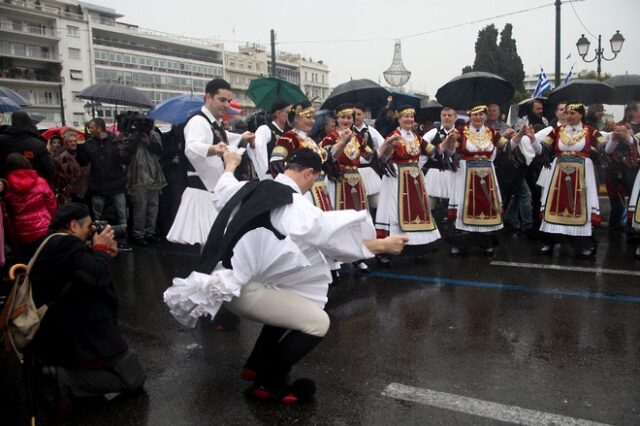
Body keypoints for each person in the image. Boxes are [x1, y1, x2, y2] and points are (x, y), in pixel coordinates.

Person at [164, 148, 407, 404]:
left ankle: (255, 365)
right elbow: (329, 239)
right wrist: (383, 245)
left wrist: (230, 165)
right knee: (318, 323)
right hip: (243, 289)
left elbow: (222, 190)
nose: (312, 185)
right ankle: (267, 383)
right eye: (314, 179)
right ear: (309, 173)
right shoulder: (293, 203)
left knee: (291, 298)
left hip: (223, 283)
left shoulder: (251, 187)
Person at [30, 203, 146, 400]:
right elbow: (98, 276)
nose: (92, 231)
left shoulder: (51, 243)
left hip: (67, 331)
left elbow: (85, 272)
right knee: (133, 378)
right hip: (82, 333)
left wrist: (102, 253)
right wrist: (100, 248)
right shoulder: (66, 245)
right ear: (74, 226)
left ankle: (63, 374)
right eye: (89, 227)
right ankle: (61, 379)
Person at [166, 78, 254, 246]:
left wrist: (242, 137)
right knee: (210, 243)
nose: (226, 105)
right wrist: (214, 149)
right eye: (222, 100)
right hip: (202, 192)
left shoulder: (215, 123)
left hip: (212, 191)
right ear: (208, 97)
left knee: (213, 244)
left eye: (228, 101)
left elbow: (224, 137)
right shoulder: (197, 121)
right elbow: (191, 147)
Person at [534, 102, 627, 257]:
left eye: (573, 113)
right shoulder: (557, 131)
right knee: (556, 205)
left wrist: (615, 139)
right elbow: (541, 149)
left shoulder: (591, 131)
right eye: (568, 113)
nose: (569, 116)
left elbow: (607, 150)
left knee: (580, 206)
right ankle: (549, 242)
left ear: (581, 115)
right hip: (559, 174)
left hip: (582, 173)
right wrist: (531, 139)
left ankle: (586, 244)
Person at [376, 105, 442, 265]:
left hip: (414, 178)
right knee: (394, 212)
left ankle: (417, 247)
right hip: (397, 179)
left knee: (416, 211)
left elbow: (434, 151)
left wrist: (447, 141)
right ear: (399, 119)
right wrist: (389, 146)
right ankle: (387, 250)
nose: (409, 119)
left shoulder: (417, 138)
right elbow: (383, 160)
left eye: (412, 117)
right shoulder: (393, 136)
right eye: (406, 116)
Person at [447, 104, 516, 256]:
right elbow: (451, 152)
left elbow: (506, 146)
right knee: (465, 207)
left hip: (486, 175)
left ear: (485, 116)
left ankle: (486, 244)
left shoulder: (491, 132)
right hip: (466, 174)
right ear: (469, 116)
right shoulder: (460, 131)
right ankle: (460, 244)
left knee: (486, 206)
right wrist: (452, 141)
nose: (478, 117)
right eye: (475, 114)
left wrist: (521, 135)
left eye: (481, 114)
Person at [76, 117, 131, 251]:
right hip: (98, 186)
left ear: (100, 127)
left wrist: (124, 152)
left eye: (92, 127)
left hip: (116, 184)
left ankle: (123, 240)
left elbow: (126, 161)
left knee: (122, 215)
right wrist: (81, 147)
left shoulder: (115, 141)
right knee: (97, 217)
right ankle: (99, 241)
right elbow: (83, 162)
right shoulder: (89, 143)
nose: (90, 130)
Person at [269, 101, 334, 211]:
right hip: (305, 193)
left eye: (314, 118)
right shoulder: (289, 137)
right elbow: (276, 162)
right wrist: (292, 185)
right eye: (308, 117)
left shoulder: (310, 140)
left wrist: (343, 141)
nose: (312, 121)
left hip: (320, 189)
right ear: (296, 119)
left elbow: (326, 157)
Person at [120, 113, 167, 246]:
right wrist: (133, 135)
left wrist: (148, 142)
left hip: (154, 175)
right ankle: (139, 234)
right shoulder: (131, 135)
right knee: (140, 207)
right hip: (138, 175)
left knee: (153, 207)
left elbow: (159, 151)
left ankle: (150, 232)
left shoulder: (154, 135)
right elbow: (126, 154)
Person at [1, 153, 57, 261]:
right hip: (44, 227)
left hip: (22, 231)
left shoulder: (7, 187)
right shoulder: (40, 181)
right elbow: (52, 204)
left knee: (29, 260)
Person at [422, 106, 459, 222]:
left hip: (454, 172)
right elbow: (421, 148)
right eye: (444, 115)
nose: (447, 118)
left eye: (449, 115)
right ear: (440, 117)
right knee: (429, 202)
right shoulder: (432, 133)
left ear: (455, 118)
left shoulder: (461, 133)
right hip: (434, 172)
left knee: (452, 202)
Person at [0, 111, 54, 185]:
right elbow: (49, 169)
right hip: (33, 186)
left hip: (6, 185)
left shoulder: (2, 140)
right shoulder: (37, 144)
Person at [248, 99, 291, 181]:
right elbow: (258, 149)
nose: (290, 116)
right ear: (278, 113)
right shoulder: (265, 129)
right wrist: (266, 176)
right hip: (272, 177)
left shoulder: (288, 133)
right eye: (288, 113)